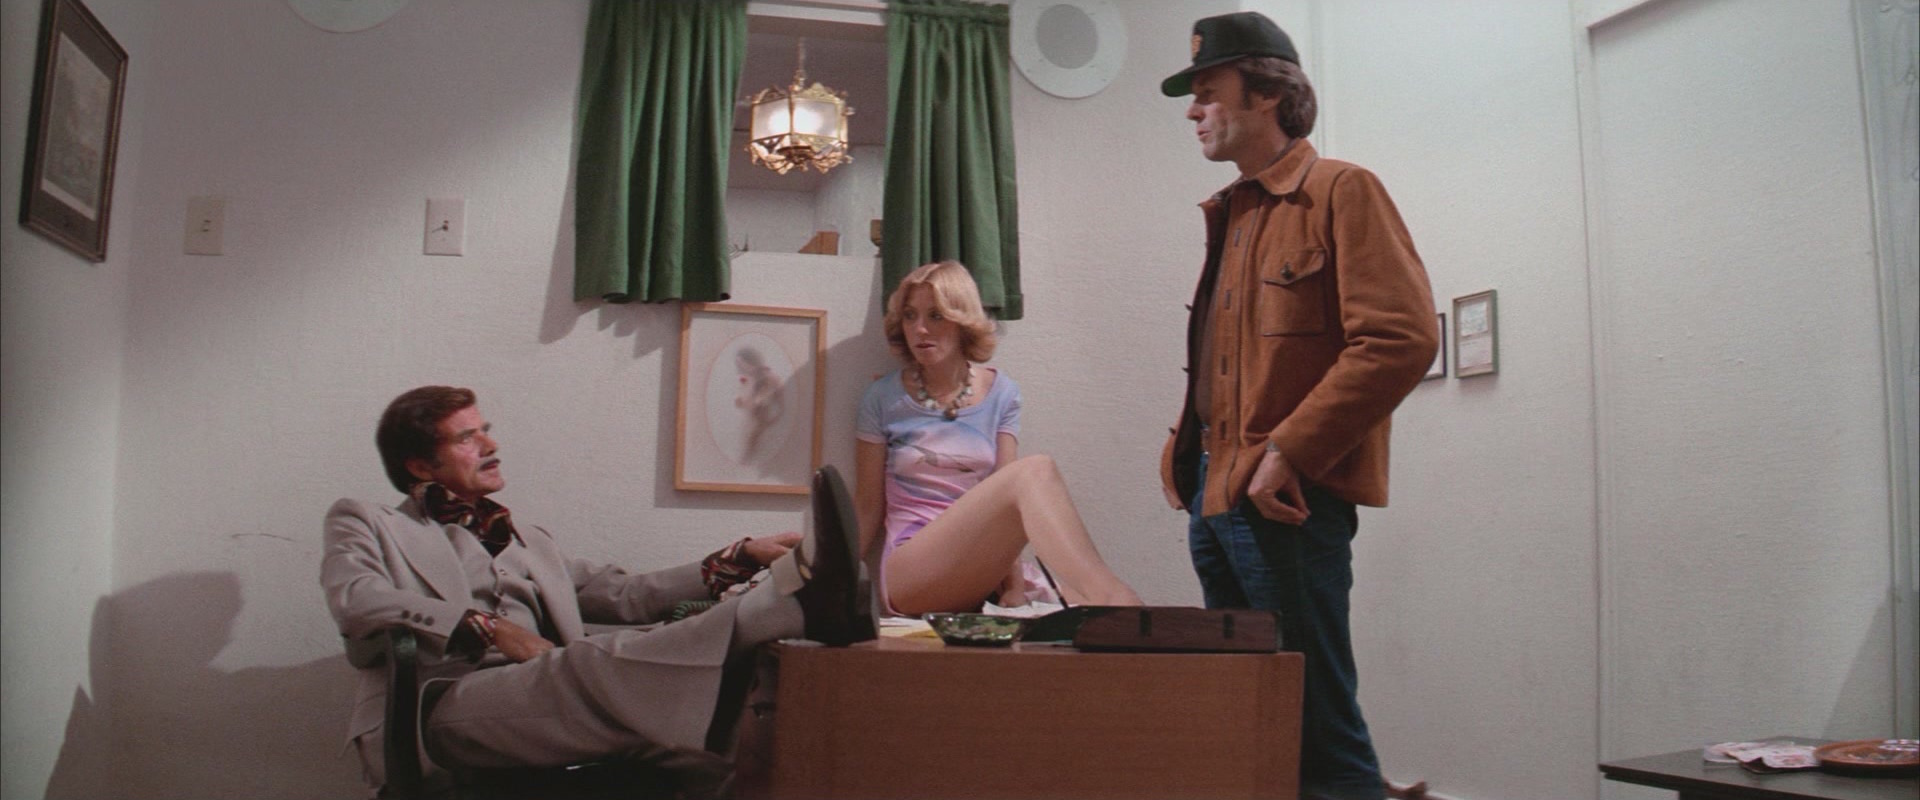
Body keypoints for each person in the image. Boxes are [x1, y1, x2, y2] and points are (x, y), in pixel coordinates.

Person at [321, 385, 873, 796]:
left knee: (725, 746)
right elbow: (357, 598)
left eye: (485, 429)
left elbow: (627, 595)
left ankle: (786, 608)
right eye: (468, 437)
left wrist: (739, 556)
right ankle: (782, 607)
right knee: (586, 661)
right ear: (420, 464)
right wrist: (488, 627)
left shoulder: (528, 538)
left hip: (548, 698)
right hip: (438, 707)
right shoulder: (370, 522)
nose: (491, 444)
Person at [1158, 13, 1438, 800]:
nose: (1193, 111)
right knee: (1254, 723)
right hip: (1216, 498)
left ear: (1265, 92)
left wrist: (1289, 451)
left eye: (1208, 91)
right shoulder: (1233, 211)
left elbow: (1402, 338)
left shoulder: (1342, 191)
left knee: (1318, 729)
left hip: (1286, 503)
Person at [855, 261, 1141, 615]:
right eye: (910, 316)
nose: (920, 329)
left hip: (977, 565)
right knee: (1034, 470)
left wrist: (1015, 586)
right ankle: (1115, 599)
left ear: (961, 321)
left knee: (1076, 608)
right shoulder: (882, 398)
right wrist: (826, 588)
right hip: (910, 570)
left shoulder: (1001, 393)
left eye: (936, 316)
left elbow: (1008, 506)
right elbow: (866, 509)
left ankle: (1108, 604)